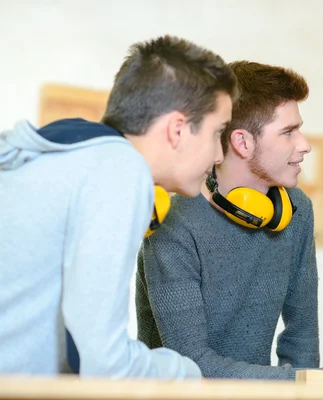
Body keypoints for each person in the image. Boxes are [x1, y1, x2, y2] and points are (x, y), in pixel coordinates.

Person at [136, 61, 323, 380]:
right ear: (242, 143)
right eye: (288, 132)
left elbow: (301, 343)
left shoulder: (296, 210)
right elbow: (191, 365)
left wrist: (313, 383)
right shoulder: (173, 225)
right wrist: (315, 378)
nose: (304, 145)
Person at [0, 35, 238, 378]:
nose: (218, 155)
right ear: (177, 129)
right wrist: (187, 374)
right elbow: (103, 364)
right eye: (218, 132)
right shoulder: (120, 170)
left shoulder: (74, 155)